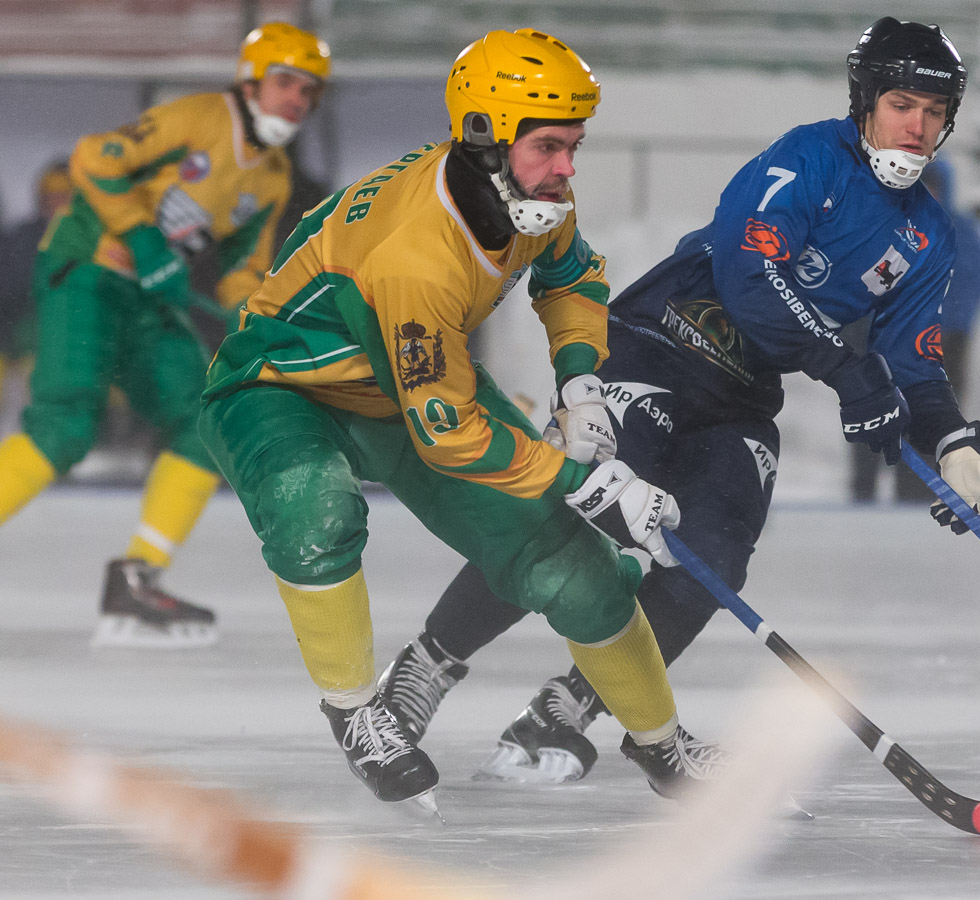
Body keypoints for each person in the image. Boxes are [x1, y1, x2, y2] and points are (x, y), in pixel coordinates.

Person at [370, 17, 980, 787]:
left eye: (935, 113)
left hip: (741, 399)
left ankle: (573, 707)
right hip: (654, 343)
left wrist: (952, 444)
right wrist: (842, 368)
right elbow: (752, 276)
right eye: (903, 104)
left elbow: (914, 358)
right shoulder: (807, 158)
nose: (918, 127)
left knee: (714, 550)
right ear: (866, 100)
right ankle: (425, 669)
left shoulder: (928, 234)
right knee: (566, 519)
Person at [196, 29, 723, 811]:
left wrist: (579, 383)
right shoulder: (414, 252)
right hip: (279, 387)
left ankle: (662, 744)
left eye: (573, 146)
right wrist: (586, 480)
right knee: (317, 507)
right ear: (485, 136)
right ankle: (355, 710)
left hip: (403, 379)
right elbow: (450, 433)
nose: (567, 168)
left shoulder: (530, 190)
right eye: (550, 146)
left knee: (576, 570)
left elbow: (571, 275)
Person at [0, 23, 329, 649]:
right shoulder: (200, 116)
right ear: (252, 79)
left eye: (309, 91)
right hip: (88, 274)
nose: (297, 99)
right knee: (65, 426)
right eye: (286, 82)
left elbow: (242, 270)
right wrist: (143, 236)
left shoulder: (275, 176)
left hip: (147, 298)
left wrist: (256, 322)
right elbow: (94, 159)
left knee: (209, 424)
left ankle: (136, 579)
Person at [848, 157, 980, 502]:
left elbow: (969, 285)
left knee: (929, 420)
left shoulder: (959, 232)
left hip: (939, 343)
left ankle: (917, 494)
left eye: (932, 186)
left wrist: (940, 324)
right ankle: (863, 492)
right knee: (871, 414)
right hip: (884, 339)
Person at [0, 160, 72, 429]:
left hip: (60, 340)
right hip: (21, 336)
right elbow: (11, 286)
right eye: (52, 196)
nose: (58, 203)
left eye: (65, 196)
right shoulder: (23, 237)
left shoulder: (91, 239)